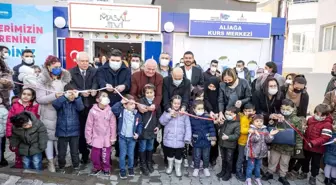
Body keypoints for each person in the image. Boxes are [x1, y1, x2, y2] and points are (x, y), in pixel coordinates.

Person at [35, 55, 71, 172]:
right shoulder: (42, 80)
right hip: (48, 113)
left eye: (60, 67)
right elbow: (40, 99)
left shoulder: (63, 78)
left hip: (61, 112)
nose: (58, 69)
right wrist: (54, 95)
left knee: (59, 138)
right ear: (48, 67)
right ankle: (50, 162)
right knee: (49, 139)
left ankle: (59, 160)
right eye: (55, 67)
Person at [262, 99, 304, 185]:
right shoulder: (277, 116)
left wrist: (299, 147)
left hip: (288, 146)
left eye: (288, 109)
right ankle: (270, 173)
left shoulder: (297, 120)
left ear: (293, 109)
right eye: (283, 109)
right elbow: (271, 127)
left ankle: (282, 175)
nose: (285, 111)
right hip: (276, 144)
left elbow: (299, 134)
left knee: (285, 162)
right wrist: (272, 121)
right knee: (273, 159)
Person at [69, 51, 98, 164]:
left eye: (86, 61)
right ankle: (84, 153)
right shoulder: (71, 72)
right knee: (81, 131)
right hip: (78, 106)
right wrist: (81, 93)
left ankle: (96, 152)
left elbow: (96, 82)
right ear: (77, 61)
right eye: (82, 61)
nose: (85, 63)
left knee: (94, 130)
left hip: (92, 104)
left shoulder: (94, 71)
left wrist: (94, 89)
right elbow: (69, 85)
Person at [298, 104, 333, 185]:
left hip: (318, 149)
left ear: (325, 114)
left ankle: (313, 176)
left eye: (319, 114)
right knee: (305, 161)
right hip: (307, 146)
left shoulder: (327, 124)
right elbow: (306, 130)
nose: (317, 115)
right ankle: (304, 172)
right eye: (316, 113)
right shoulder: (310, 119)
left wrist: (313, 143)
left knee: (315, 164)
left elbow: (325, 137)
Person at [52, 86, 84, 173]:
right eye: (69, 93)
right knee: (61, 152)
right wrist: (64, 97)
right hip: (62, 131)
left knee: (74, 152)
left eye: (73, 93)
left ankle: (76, 166)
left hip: (74, 132)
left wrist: (77, 97)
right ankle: (61, 166)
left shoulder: (77, 102)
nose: (71, 95)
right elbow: (55, 104)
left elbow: (81, 108)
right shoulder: (62, 102)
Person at [6, 88, 39, 168]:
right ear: (21, 94)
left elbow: (37, 120)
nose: (26, 96)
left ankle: (31, 168)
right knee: (18, 152)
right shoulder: (15, 105)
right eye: (24, 94)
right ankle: (19, 168)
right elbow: (9, 120)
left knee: (30, 152)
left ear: (32, 96)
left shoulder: (35, 106)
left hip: (30, 134)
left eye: (28, 95)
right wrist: (9, 134)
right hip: (17, 134)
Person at [112, 94, 143, 179]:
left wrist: (138, 134)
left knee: (131, 154)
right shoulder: (121, 112)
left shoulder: (137, 114)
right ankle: (122, 170)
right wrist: (120, 102)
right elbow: (113, 109)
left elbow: (140, 125)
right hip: (122, 138)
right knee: (122, 155)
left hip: (132, 139)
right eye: (131, 104)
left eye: (134, 104)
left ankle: (130, 168)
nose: (134, 105)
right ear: (125, 105)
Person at [85, 91, 116, 175]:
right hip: (96, 137)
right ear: (97, 99)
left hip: (106, 138)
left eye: (107, 96)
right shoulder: (92, 111)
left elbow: (113, 125)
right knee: (95, 155)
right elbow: (89, 126)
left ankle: (106, 167)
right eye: (103, 96)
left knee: (106, 155)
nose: (106, 98)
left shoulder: (110, 111)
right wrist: (89, 138)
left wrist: (113, 137)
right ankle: (97, 167)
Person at [159, 95, 191, 177]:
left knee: (178, 155)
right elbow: (162, 122)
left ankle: (178, 168)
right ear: (171, 103)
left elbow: (188, 127)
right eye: (175, 103)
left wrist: (187, 138)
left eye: (178, 103)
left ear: (181, 104)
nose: (176, 105)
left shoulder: (184, 114)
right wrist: (169, 115)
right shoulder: (167, 112)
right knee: (170, 154)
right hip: (169, 139)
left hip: (180, 140)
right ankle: (170, 166)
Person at [245, 114, 278, 185]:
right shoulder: (251, 130)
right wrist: (256, 135)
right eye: (257, 121)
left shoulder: (265, 130)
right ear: (253, 122)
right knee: (250, 167)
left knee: (258, 167)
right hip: (252, 153)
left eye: (261, 121)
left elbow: (267, 140)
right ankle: (248, 178)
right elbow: (252, 140)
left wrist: (270, 135)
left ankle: (257, 178)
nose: (259, 123)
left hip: (261, 153)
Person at [138, 84, 161, 176]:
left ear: (154, 93)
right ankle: (143, 164)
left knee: (150, 147)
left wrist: (158, 126)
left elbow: (159, 116)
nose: (149, 94)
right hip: (143, 129)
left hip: (152, 129)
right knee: (142, 147)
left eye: (151, 92)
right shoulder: (141, 102)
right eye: (147, 92)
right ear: (144, 93)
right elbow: (138, 116)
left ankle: (149, 162)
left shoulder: (156, 103)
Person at [190, 100, 216, 177]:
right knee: (196, 155)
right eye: (199, 109)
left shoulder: (207, 117)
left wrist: (213, 139)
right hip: (196, 140)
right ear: (194, 109)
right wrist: (190, 139)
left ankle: (205, 168)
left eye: (202, 108)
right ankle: (196, 168)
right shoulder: (192, 118)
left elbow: (211, 128)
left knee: (206, 155)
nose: (201, 110)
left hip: (206, 140)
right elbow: (190, 129)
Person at [217, 107, 240, 181]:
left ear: (234, 114)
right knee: (223, 158)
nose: (227, 115)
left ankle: (228, 173)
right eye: (226, 114)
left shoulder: (237, 124)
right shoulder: (225, 121)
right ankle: (223, 171)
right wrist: (219, 124)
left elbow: (237, 135)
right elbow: (219, 128)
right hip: (222, 143)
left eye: (230, 114)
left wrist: (228, 137)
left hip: (230, 145)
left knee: (229, 159)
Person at [236, 103, 255, 182]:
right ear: (244, 111)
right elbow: (242, 130)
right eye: (246, 111)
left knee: (246, 157)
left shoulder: (251, 118)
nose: (248, 113)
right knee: (241, 158)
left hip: (248, 142)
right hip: (242, 142)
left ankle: (245, 171)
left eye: (250, 111)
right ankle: (238, 172)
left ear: (254, 111)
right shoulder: (244, 118)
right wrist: (249, 131)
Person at [204, 77, 220, 165]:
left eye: (214, 87)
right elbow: (205, 101)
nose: (211, 89)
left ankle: (213, 157)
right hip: (207, 116)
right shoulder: (205, 93)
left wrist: (217, 113)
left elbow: (220, 102)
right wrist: (210, 110)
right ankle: (205, 156)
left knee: (214, 137)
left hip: (216, 117)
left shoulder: (219, 94)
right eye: (210, 86)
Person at [0, 94, 8, 166]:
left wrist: (6, 133)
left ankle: (1, 159)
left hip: (1, 133)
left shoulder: (3, 110)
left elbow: (6, 123)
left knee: (1, 146)